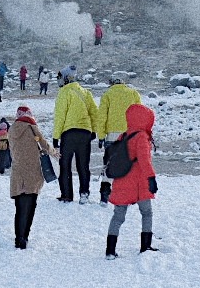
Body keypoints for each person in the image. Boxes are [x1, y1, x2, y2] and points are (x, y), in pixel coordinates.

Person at [106, 101, 158, 256]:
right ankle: (145, 246)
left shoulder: (124, 135)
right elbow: (144, 161)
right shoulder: (141, 136)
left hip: (122, 180)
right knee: (147, 213)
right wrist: (151, 178)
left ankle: (110, 250)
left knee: (118, 216)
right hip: (139, 182)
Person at [6, 104, 55, 249]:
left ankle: (18, 238)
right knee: (30, 205)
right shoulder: (31, 126)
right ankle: (25, 237)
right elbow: (44, 145)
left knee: (20, 207)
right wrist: (55, 153)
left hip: (18, 172)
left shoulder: (12, 130)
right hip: (33, 172)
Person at [51, 67, 98, 204]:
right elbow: (94, 113)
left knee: (65, 165)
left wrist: (55, 138)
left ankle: (67, 195)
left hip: (69, 133)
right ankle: (84, 193)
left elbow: (60, 116)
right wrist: (94, 131)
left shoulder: (64, 93)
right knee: (83, 165)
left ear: (65, 78)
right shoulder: (86, 93)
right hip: (85, 133)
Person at [96, 76, 144, 204]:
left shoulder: (107, 94)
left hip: (112, 135)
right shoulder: (133, 93)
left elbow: (101, 117)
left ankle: (104, 196)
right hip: (130, 134)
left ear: (111, 84)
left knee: (109, 163)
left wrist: (101, 136)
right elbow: (140, 114)